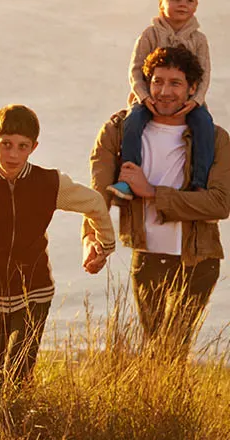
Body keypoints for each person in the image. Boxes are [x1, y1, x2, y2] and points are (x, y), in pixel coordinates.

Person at [91, 46, 230, 360]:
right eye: (158, 81)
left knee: (173, 349)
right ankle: (160, 406)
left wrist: (151, 192)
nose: (165, 91)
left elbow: (220, 204)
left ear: (192, 88)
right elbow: (98, 191)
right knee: (155, 348)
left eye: (175, 83)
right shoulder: (122, 130)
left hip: (197, 260)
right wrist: (92, 238)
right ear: (146, 83)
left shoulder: (216, 138)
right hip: (147, 258)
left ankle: (173, 406)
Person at [0, 104, 115, 386]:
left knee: (19, 370)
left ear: (33, 147)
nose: (13, 154)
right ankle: (9, 421)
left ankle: (17, 419)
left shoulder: (48, 183)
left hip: (35, 290)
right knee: (1, 369)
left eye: (22, 147)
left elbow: (95, 203)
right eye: (6, 144)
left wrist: (104, 246)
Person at [110, 0, 214, 200]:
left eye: (190, 0)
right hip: (150, 97)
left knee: (204, 125)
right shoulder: (150, 34)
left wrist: (195, 100)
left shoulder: (198, 39)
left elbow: (204, 74)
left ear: (196, 5)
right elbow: (135, 70)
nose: (183, 4)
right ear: (161, 4)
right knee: (132, 122)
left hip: (188, 100)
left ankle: (199, 184)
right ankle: (128, 178)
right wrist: (144, 97)